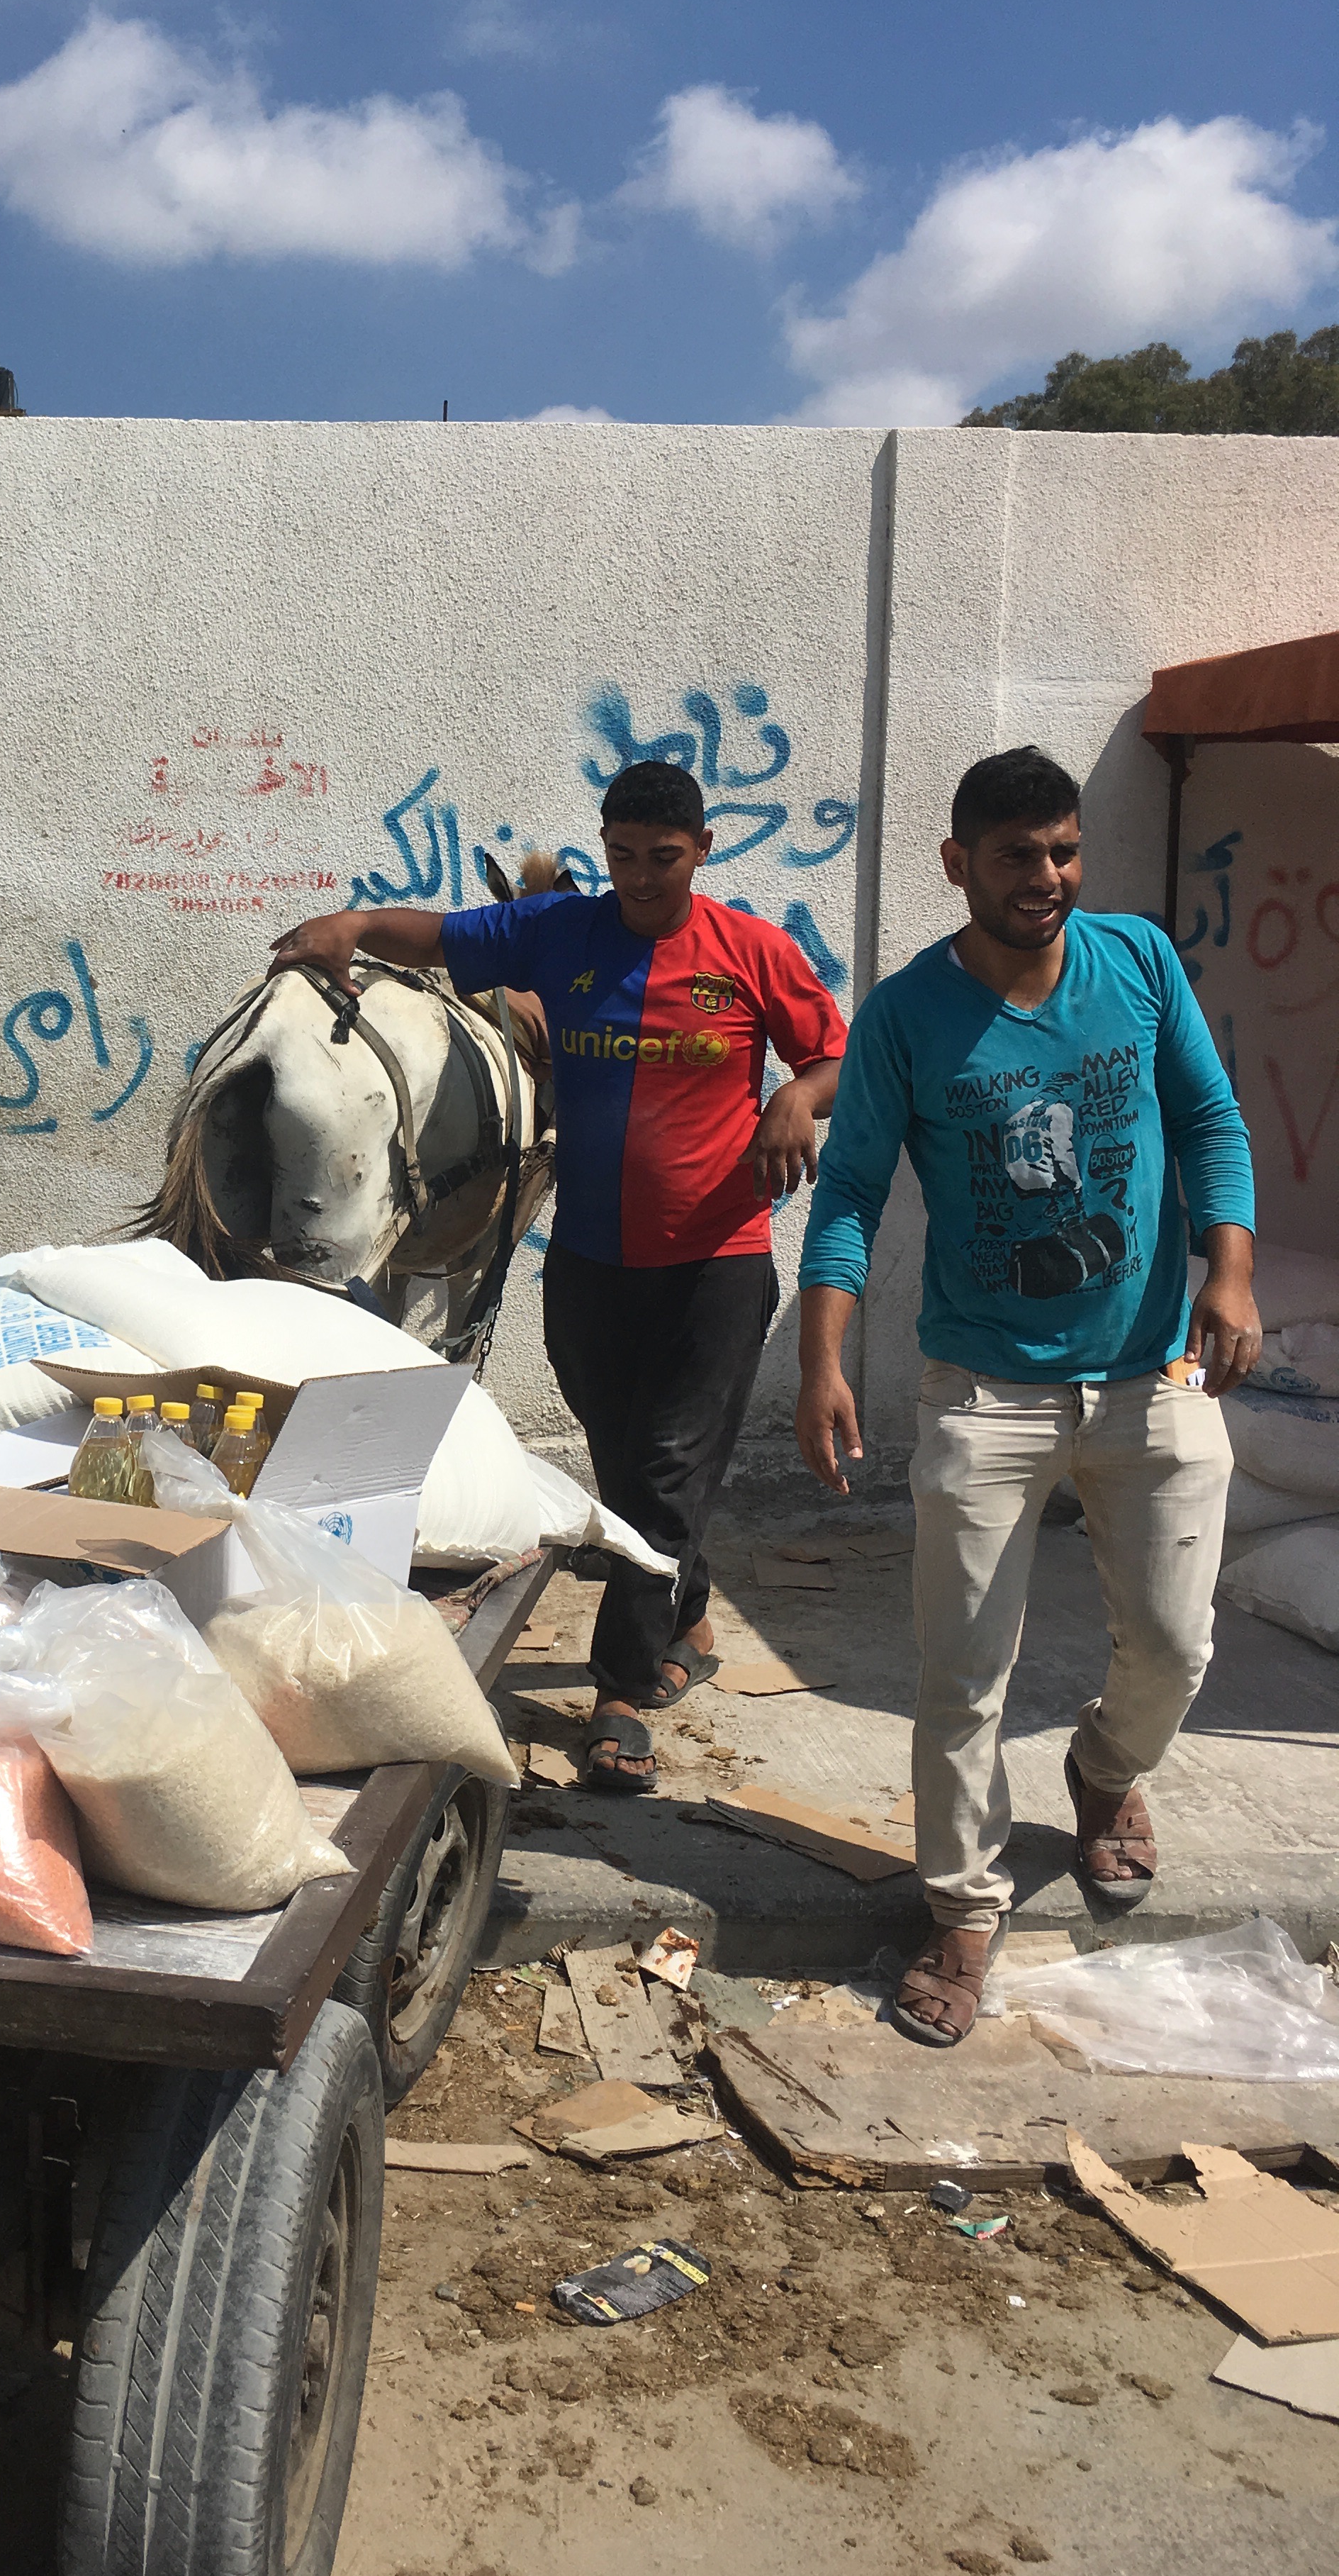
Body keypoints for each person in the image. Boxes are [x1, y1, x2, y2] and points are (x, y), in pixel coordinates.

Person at [795, 745, 1260, 2048]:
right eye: (1017, 857)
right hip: (984, 1390)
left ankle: (1107, 1772)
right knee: (961, 1676)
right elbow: (850, 1196)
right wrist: (824, 1356)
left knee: (1176, 1647)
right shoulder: (904, 1017)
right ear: (957, 866)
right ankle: (964, 1910)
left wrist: (1228, 1269)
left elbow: (1211, 1120)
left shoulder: (1141, 963)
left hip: (1153, 1369)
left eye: (1063, 850)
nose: (1048, 878)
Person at [268, 759, 846, 1789]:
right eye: (622, 857)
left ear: (703, 851)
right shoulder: (561, 931)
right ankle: (692, 1615)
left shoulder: (752, 953)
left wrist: (799, 1098)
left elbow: (840, 1058)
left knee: (666, 1470)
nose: (639, 879)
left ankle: (621, 1694)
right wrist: (350, 925)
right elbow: (443, 936)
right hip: (590, 1262)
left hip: (718, 1262)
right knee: (630, 1464)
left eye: (662, 860)